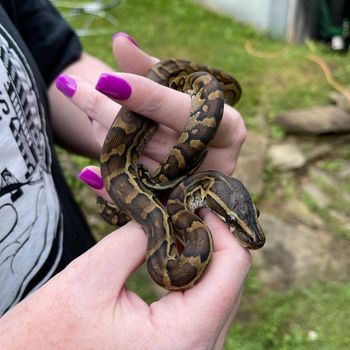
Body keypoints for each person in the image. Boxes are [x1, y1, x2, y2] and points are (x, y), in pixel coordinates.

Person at [0, 1, 250, 348]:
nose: (242, 233)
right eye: (236, 222)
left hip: (73, 254)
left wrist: (133, 105)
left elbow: (53, 65)